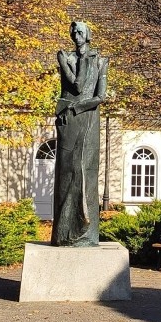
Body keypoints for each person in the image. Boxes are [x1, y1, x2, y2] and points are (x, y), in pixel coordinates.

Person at [52, 21, 108, 247]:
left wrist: (64, 64)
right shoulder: (70, 57)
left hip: (86, 118)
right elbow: (68, 90)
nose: (76, 35)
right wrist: (65, 63)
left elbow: (91, 92)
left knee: (84, 170)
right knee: (66, 172)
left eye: (80, 31)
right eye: (73, 31)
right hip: (67, 120)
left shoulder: (99, 60)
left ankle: (85, 229)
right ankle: (64, 232)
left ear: (88, 35)